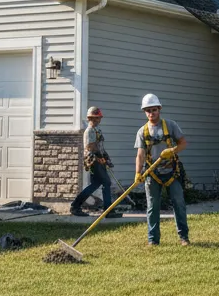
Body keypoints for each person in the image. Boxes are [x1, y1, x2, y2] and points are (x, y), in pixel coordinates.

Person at [135, 93, 189, 246]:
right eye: (148, 111)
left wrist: (172, 151)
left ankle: (183, 237)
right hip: (152, 174)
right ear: (145, 112)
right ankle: (153, 240)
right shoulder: (142, 131)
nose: (151, 113)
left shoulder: (170, 125)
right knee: (152, 206)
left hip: (172, 172)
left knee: (179, 203)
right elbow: (140, 154)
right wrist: (138, 173)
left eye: (154, 110)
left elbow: (183, 143)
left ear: (159, 109)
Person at [69, 106, 123, 218]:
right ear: (90, 118)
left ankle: (75, 206)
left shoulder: (97, 130)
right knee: (106, 182)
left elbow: (100, 146)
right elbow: (91, 147)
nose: (98, 120)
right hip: (94, 160)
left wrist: (106, 157)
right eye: (96, 118)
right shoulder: (89, 131)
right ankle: (108, 211)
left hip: (99, 159)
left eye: (98, 118)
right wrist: (101, 158)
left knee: (95, 184)